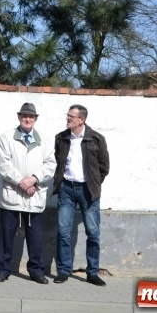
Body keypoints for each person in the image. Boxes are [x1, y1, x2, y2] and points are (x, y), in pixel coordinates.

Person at [0, 102, 56, 284]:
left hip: (34, 194)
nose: (27, 119)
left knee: (35, 236)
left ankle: (36, 270)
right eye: (24, 116)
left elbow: (50, 165)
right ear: (19, 117)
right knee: (6, 234)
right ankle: (3, 270)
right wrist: (22, 182)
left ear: (35, 119)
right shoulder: (7, 138)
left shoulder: (44, 139)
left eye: (31, 117)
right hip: (13, 193)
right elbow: (4, 165)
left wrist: (34, 179)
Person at [53, 104, 110, 286]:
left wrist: (93, 183)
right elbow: (58, 160)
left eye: (71, 116)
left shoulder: (96, 139)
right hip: (66, 189)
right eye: (67, 115)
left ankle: (92, 272)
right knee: (63, 232)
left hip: (88, 190)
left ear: (81, 120)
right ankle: (63, 270)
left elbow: (104, 167)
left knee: (93, 233)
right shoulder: (61, 138)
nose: (67, 118)